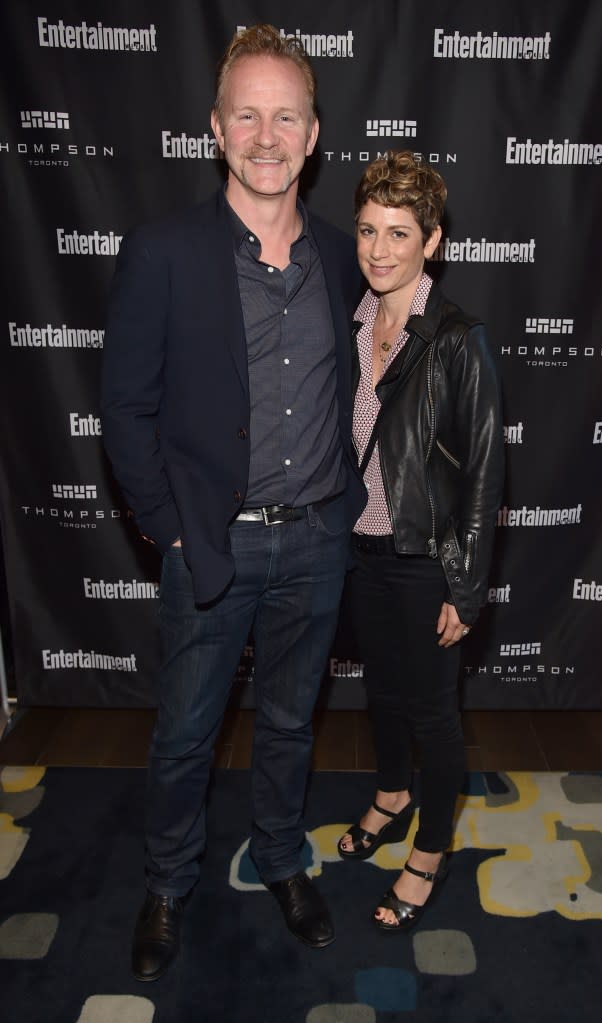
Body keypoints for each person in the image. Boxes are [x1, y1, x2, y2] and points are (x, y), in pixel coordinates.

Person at [101, 24, 366, 979]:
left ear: (313, 133)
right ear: (216, 130)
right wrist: (172, 529)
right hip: (210, 545)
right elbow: (124, 411)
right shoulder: (164, 251)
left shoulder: (342, 258)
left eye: (284, 114)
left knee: (294, 722)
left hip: (318, 541)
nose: (267, 134)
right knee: (185, 731)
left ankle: (285, 858)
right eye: (247, 114)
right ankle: (168, 882)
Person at [338, 152, 504, 931]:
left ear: (430, 240)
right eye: (369, 229)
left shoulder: (457, 339)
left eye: (398, 233)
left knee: (434, 714)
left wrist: (465, 587)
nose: (378, 249)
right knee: (383, 696)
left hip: (427, 562)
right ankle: (392, 792)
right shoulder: (357, 319)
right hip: (363, 551)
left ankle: (430, 849)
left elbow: (483, 475)